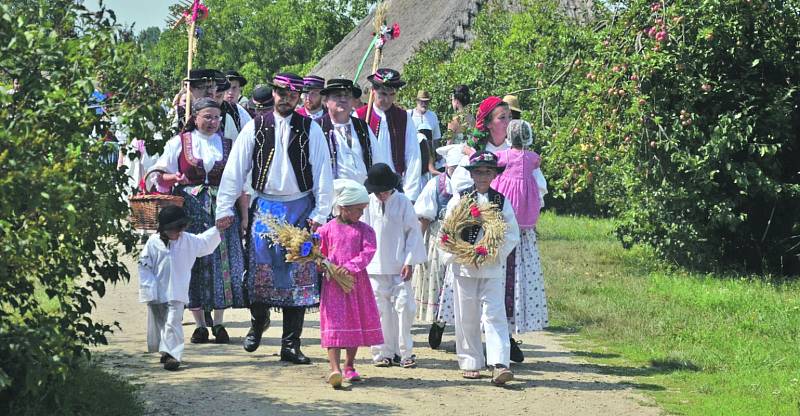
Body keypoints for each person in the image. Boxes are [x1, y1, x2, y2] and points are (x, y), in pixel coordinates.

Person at [215, 72, 334, 364]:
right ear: (274, 93)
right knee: (258, 270)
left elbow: (322, 172)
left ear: (298, 98)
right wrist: (224, 208)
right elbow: (235, 169)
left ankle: (290, 344)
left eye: (292, 95)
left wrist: (320, 212)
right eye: (282, 93)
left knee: (299, 274)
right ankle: (258, 322)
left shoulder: (310, 129)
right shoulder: (255, 126)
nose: (286, 99)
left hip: (300, 208)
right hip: (265, 207)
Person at [152, 98, 247, 344]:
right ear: (195, 117)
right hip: (190, 212)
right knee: (191, 264)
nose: (212, 122)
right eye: (207, 117)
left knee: (220, 263)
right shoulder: (179, 143)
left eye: (216, 117)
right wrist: (176, 177)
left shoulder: (228, 145)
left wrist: (243, 217)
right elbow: (158, 175)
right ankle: (199, 325)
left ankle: (219, 322)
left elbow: (241, 183)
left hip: (222, 210)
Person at [439, 150, 520, 385]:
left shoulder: (501, 202)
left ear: (494, 174)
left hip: (492, 267)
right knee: (467, 313)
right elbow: (447, 230)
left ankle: (499, 362)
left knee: (494, 313)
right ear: (472, 174)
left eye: (487, 172)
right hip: (464, 266)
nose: (483, 176)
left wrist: (494, 253)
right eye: (478, 172)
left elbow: (511, 233)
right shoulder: (460, 199)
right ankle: (470, 360)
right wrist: (456, 254)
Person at [138, 205, 226, 370]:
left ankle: (173, 355)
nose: (177, 233)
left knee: (173, 321)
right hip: (157, 291)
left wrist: (217, 229)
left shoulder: (187, 240)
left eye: (180, 229)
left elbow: (204, 242)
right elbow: (144, 266)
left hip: (177, 291)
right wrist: (147, 287)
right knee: (161, 323)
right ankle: (165, 350)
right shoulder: (153, 242)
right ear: (164, 229)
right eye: (173, 229)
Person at [317, 179, 383, 388]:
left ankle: (349, 365)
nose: (361, 214)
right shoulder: (326, 230)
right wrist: (322, 265)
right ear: (343, 208)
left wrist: (350, 266)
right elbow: (320, 254)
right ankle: (334, 369)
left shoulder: (365, 230)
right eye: (358, 210)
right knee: (334, 324)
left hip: (356, 284)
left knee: (354, 320)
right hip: (333, 285)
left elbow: (368, 252)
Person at [492, 120, 548, 361]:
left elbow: (496, 164)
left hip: (507, 212)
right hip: (525, 216)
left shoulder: (505, 156)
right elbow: (537, 165)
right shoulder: (532, 159)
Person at [362, 163, 426, 368]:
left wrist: (409, 261)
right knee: (380, 311)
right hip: (375, 266)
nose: (381, 195)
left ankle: (405, 352)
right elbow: (363, 233)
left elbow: (413, 233)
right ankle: (383, 352)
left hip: (399, 265)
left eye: (384, 191)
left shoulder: (403, 202)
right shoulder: (369, 203)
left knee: (405, 307)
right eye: (377, 192)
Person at [412, 144, 462, 349]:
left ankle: (463, 329)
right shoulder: (436, 185)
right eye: (453, 169)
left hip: (463, 241)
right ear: (447, 168)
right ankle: (438, 322)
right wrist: (416, 248)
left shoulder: (471, 186)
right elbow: (423, 218)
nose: (457, 173)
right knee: (440, 283)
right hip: (438, 241)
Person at [356, 68, 422, 201]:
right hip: (368, 187)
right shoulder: (359, 117)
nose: (387, 99)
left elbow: (413, 156)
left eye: (391, 94)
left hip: (395, 186)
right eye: (382, 94)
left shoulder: (403, 117)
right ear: (373, 92)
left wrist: (410, 195)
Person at [318, 78, 376, 184]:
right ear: (326, 101)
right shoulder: (317, 128)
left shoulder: (362, 127)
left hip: (363, 194)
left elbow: (377, 159)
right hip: (332, 195)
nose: (343, 99)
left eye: (348, 96)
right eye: (337, 95)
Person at [171, 68, 217, 134]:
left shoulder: (221, 116)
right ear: (190, 89)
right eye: (203, 87)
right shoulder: (178, 114)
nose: (209, 92)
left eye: (212, 87)